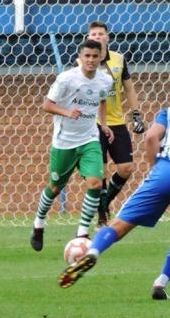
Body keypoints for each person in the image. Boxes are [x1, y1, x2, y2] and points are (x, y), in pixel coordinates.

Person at [59, 78, 170, 300]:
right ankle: (161, 282)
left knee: (122, 223)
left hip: (167, 168)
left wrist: (157, 169)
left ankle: (92, 251)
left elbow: (151, 137)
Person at [30, 40, 114, 251]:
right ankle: (39, 224)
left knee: (96, 183)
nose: (91, 60)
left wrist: (104, 125)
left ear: (100, 57)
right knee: (54, 188)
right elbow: (46, 105)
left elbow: (102, 101)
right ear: (80, 57)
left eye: (95, 56)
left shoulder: (105, 80)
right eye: (87, 56)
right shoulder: (66, 79)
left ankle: (82, 232)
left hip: (89, 140)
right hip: (64, 142)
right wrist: (67, 112)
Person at [85, 21, 145, 227]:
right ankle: (102, 215)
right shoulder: (83, 61)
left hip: (117, 121)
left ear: (107, 37)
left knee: (126, 168)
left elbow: (129, 89)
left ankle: (105, 202)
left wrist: (136, 114)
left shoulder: (119, 59)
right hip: (93, 123)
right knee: (99, 171)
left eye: (100, 33)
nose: (97, 36)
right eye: (93, 34)